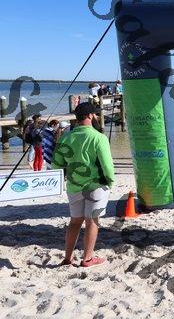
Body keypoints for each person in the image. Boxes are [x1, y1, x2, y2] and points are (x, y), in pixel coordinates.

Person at [53, 102, 115, 268]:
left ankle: (68, 258)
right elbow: (107, 166)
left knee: (75, 222)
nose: (96, 116)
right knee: (92, 221)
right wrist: (111, 181)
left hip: (74, 186)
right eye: (94, 114)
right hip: (96, 186)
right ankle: (87, 259)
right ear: (89, 116)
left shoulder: (66, 137)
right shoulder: (99, 137)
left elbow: (56, 164)